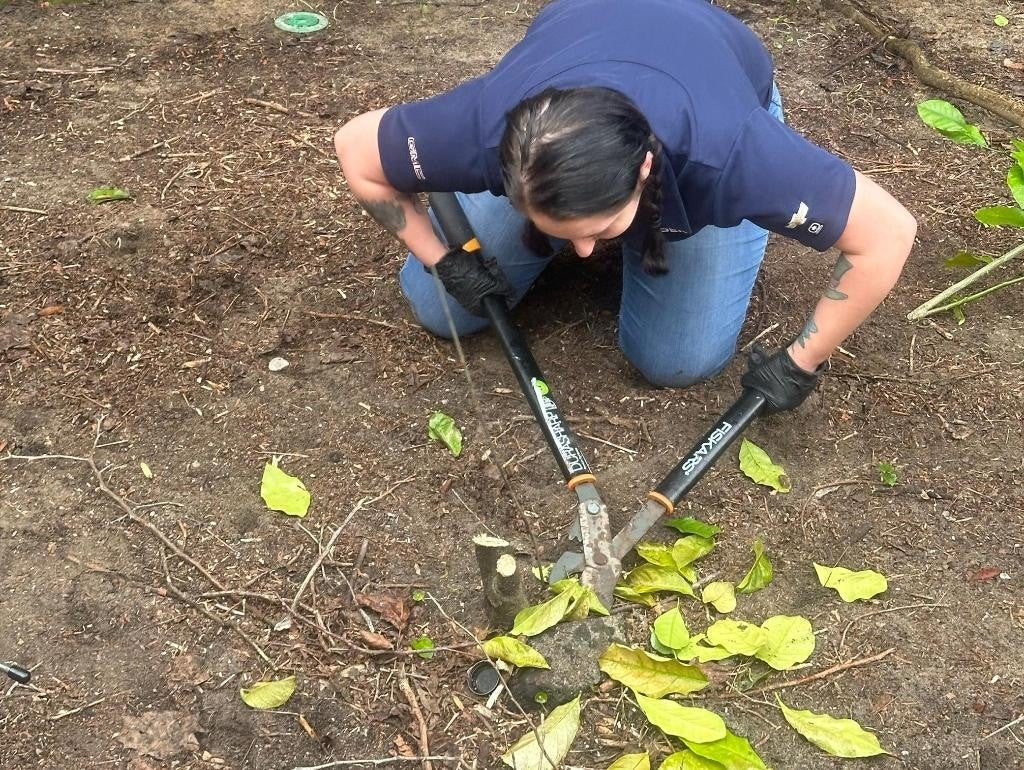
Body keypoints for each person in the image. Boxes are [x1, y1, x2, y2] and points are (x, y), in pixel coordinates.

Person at [334, 0, 916, 413]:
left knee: (676, 362)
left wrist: (801, 361)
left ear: (644, 170)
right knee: (444, 311)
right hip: (582, 32)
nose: (587, 253)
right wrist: (441, 258)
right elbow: (355, 148)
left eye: (600, 228)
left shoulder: (731, 155)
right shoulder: (486, 127)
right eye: (565, 231)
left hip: (710, 65)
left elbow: (888, 234)